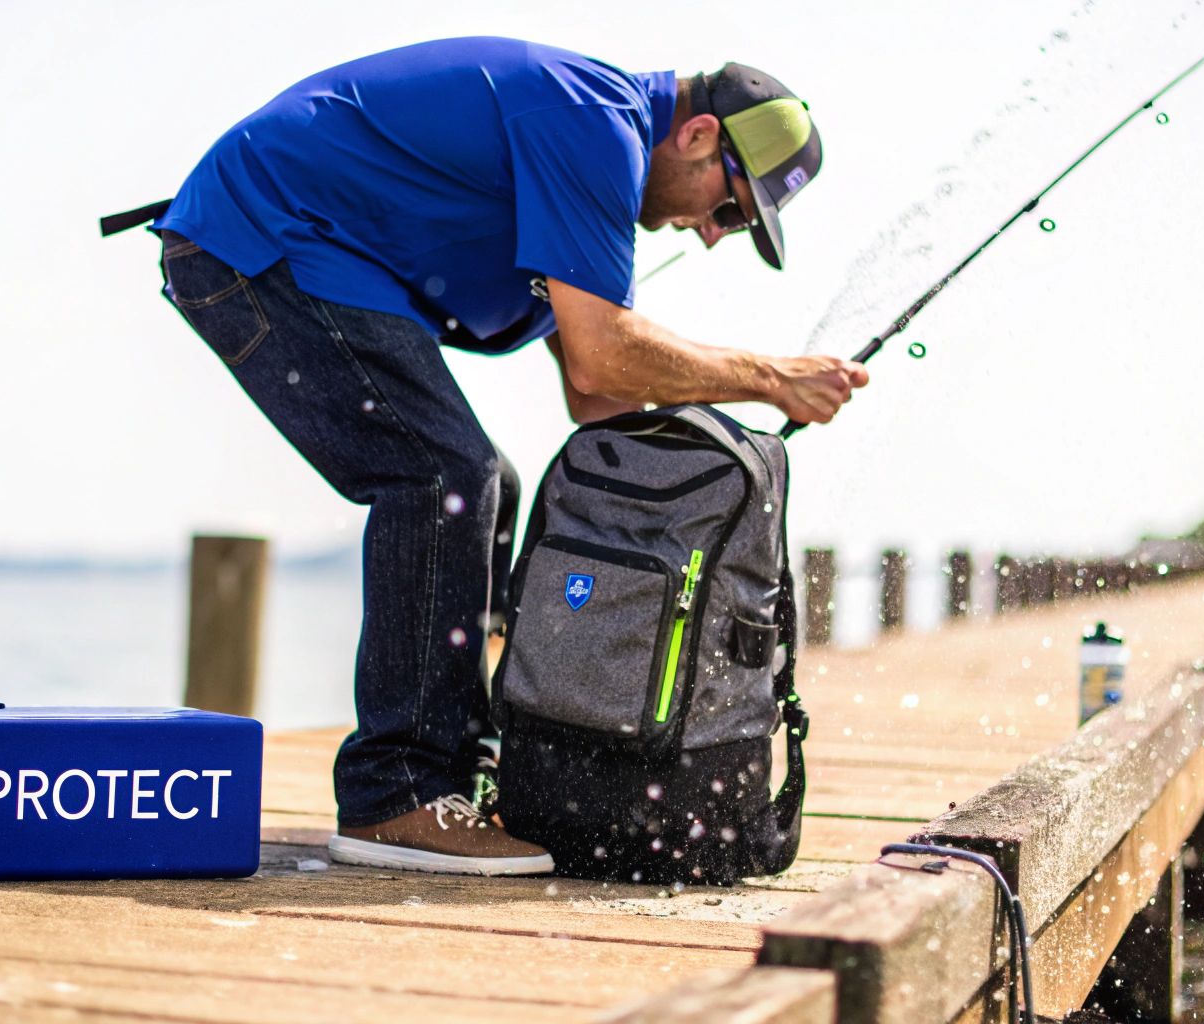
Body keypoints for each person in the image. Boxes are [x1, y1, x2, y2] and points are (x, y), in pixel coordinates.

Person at [101, 36, 867, 876]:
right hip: (259, 243)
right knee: (440, 478)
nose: (716, 236)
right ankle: (395, 795)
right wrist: (767, 379)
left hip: (304, 255)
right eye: (730, 209)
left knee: (483, 481)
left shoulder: (587, 161)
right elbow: (604, 359)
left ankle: (456, 771)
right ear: (697, 137)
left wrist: (726, 441)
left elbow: (596, 397)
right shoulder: (591, 126)